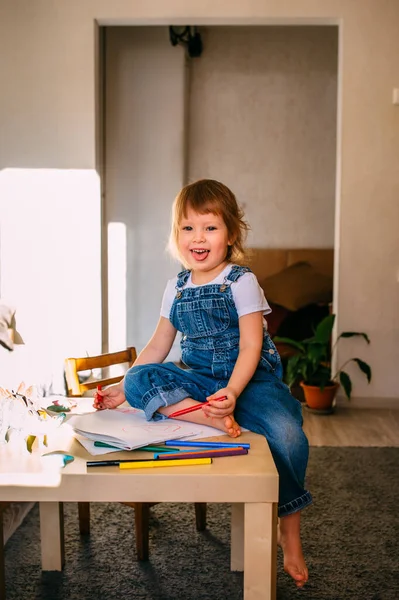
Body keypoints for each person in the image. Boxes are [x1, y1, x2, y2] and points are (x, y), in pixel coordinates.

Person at [95, 179, 312, 587]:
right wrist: (125, 389)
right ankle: (207, 418)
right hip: (198, 380)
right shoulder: (175, 287)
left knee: (288, 433)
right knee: (139, 376)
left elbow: (251, 346)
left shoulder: (240, 280)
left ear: (230, 235)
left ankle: (290, 530)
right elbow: (160, 344)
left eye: (210, 228)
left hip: (249, 380)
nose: (198, 238)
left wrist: (231, 391)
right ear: (176, 235)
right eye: (188, 228)